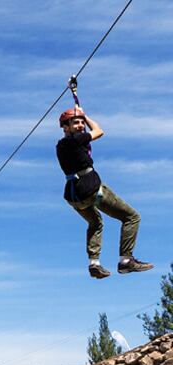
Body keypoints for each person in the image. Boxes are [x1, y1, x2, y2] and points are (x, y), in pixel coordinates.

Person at [56, 106, 152, 279]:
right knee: (132, 216)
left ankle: (94, 263)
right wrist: (85, 116)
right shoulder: (76, 139)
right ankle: (126, 260)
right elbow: (99, 131)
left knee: (95, 223)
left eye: (81, 123)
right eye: (75, 123)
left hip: (74, 196)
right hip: (91, 188)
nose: (80, 126)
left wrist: (79, 117)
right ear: (65, 127)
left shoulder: (61, 145)